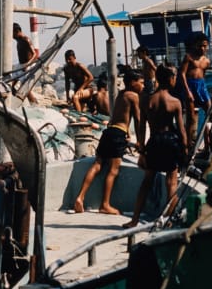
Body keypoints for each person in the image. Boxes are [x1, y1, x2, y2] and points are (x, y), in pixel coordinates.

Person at [73, 70, 146, 215]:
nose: (143, 86)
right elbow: (138, 119)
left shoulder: (120, 94)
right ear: (133, 83)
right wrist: (139, 141)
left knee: (97, 165)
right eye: (141, 82)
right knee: (113, 170)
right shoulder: (133, 96)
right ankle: (105, 204)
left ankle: (80, 198)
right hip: (118, 134)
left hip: (108, 132)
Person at [127, 64, 188, 227]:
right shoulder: (175, 102)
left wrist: (141, 146)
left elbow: (141, 125)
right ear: (169, 79)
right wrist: (186, 148)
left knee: (147, 182)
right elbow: (181, 130)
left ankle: (134, 220)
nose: (175, 79)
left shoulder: (147, 100)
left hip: (154, 141)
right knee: (171, 182)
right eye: (174, 77)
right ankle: (170, 221)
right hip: (170, 141)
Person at [181, 34, 212, 148]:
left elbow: (204, 75)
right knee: (191, 117)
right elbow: (182, 74)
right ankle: (188, 144)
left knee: (210, 111)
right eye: (200, 46)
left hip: (201, 85)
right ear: (195, 45)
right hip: (190, 85)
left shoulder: (207, 61)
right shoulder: (189, 57)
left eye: (204, 46)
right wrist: (187, 91)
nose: (202, 48)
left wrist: (204, 89)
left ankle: (208, 144)